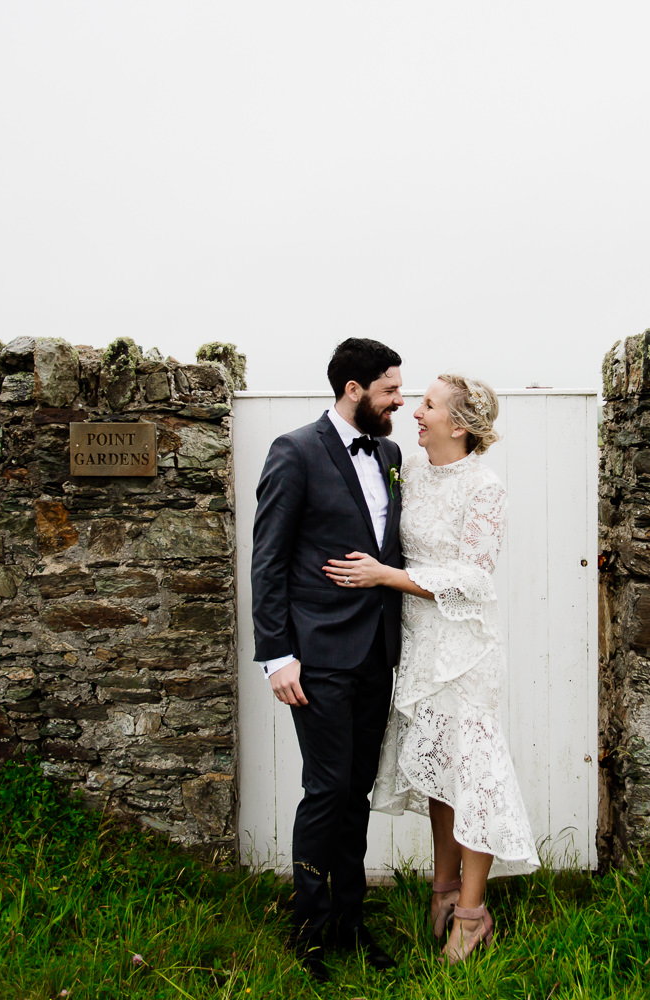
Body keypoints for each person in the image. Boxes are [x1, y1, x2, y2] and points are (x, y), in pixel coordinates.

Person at [324, 373, 539, 965]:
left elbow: (475, 576)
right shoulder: (411, 473)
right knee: (441, 770)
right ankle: (443, 892)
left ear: (459, 423)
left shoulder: (484, 486)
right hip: (418, 644)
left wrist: (386, 578)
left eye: (428, 405)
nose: (415, 411)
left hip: (464, 649)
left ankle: (472, 914)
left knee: (472, 775)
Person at [250, 338, 406, 982]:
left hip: (378, 651)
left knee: (358, 789)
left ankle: (350, 918)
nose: (401, 399)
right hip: (315, 655)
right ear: (354, 390)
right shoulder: (295, 451)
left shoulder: (391, 453)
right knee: (326, 789)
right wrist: (276, 655)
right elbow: (268, 561)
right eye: (391, 389)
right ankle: (309, 932)